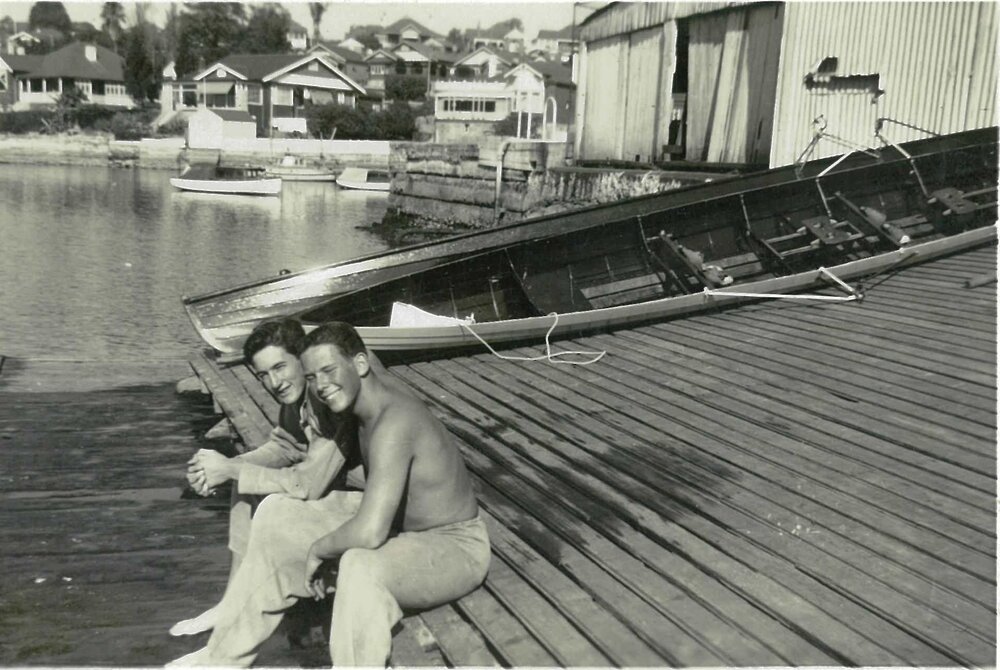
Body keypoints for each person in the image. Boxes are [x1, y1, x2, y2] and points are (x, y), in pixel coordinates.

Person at [168, 321, 490, 668]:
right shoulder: (356, 407)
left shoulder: (394, 421)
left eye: (329, 371)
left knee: (359, 566)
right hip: (399, 524)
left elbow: (369, 532)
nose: (321, 385)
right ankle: (224, 656)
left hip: (452, 544)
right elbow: (292, 447)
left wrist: (318, 550)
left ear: (362, 365)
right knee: (280, 516)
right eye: (311, 377)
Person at [171, 318, 361, 638]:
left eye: (280, 367)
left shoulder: (329, 400)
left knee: (262, 492)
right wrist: (224, 466)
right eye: (264, 375)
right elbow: (284, 445)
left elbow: (307, 485)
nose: (274, 382)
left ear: (302, 358)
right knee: (245, 482)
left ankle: (240, 624)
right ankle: (232, 601)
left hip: (372, 509)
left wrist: (231, 470)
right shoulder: (295, 399)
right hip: (334, 493)